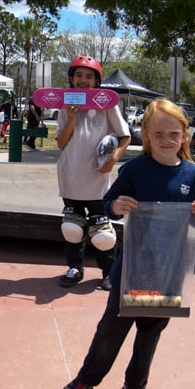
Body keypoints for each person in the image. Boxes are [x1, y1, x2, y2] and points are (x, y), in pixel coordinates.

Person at [58, 98, 195, 389]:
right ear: (145, 134)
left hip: (169, 270)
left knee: (151, 330)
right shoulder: (134, 169)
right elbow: (110, 200)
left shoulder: (193, 175)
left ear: (185, 135)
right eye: (158, 134)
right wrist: (116, 206)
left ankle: (136, 385)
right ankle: (88, 378)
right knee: (112, 328)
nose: (166, 140)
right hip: (133, 266)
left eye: (174, 133)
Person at [54, 55, 131, 290]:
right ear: (71, 79)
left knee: (103, 233)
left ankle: (109, 272)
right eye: (78, 75)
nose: (83, 80)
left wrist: (113, 160)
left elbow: (124, 136)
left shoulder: (107, 104)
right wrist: (72, 117)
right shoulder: (66, 106)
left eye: (89, 76)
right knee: (72, 229)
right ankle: (75, 268)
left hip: (98, 179)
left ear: (97, 81)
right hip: (71, 176)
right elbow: (61, 143)